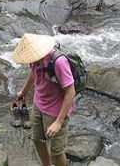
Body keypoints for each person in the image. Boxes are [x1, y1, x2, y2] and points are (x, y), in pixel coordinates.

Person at [13, 33, 75, 166]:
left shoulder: (59, 62)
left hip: (55, 111)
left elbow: (70, 93)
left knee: (56, 151)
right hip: (39, 104)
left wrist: (58, 122)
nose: (30, 62)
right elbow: (33, 73)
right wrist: (24, 91)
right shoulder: (35, 59)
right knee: (37, 140)